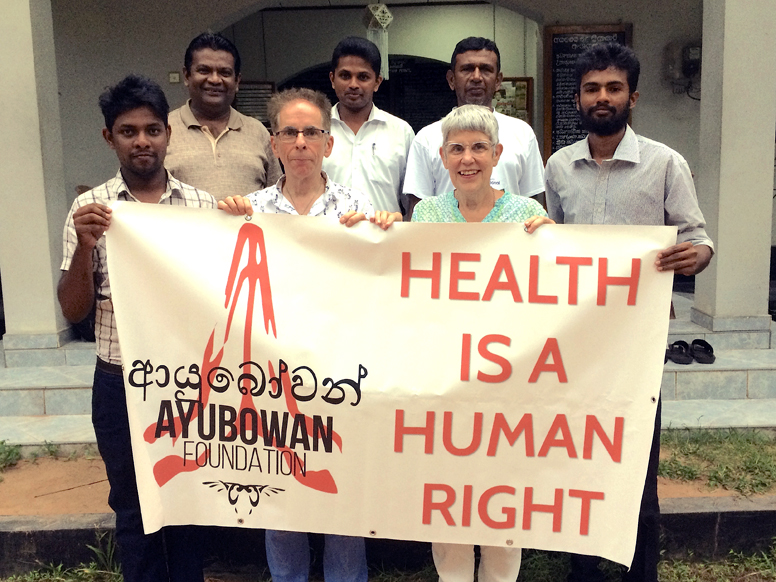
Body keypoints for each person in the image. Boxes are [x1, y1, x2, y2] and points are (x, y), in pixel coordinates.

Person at [544, 42, 714, 582]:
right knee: (573, 458)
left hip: (637, 344)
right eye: (592, 88)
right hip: (572, 343)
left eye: (613, 88)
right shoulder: (557, 167)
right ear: (577, 98)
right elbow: (542, 246)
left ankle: (640, 572)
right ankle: (582, 568)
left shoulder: (666, 163)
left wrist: (697, 256)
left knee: (636, 463)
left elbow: (698, 238)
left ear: (632, 97)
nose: (602, 97)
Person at [219, 87, 399, 582]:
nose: (301, 142)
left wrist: (388, 230)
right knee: (279, 495)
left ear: (328, 144)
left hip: (337, 375)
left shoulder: (357, 209)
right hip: (269, 378)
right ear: (273, 144)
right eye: (289, 132)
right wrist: (221, 226)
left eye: (311, 132)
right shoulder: (246, 210)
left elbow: (381, 278)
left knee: (341, 490)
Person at [57, 75, 220, 582]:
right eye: (129, 131)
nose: (142, 141)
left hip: (187, 383)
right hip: (120, 380)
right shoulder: (90, 214)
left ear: (168, 132)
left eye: (152, 129)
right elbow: (73, 310)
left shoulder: (201, 207)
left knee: (187, 502)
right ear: (110, 138)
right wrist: (85, 248)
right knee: (131, 506)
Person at [413, 104, 553, 582]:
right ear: (442, 156)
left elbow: (548, 290)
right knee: (448, 499)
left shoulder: (528, 214)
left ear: (496, 154)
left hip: (506, 380)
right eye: (457, 148)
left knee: (501, 501)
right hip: (445, 379)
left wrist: (559, 248)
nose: (467, 158)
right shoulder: (426, 214)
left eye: (478, 148)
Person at [403, 37, 544, 217]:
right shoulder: (427, 138)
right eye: (467, 69)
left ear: (498, 80)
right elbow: (417, 209)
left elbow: (532, 203)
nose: (476, 77)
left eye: (485, 69)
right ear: (451, 79)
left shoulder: (522, 133)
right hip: (447, 242)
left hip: (509, 242)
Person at [165, 32, 281, 201]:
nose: (214, 80)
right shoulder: (163, 130)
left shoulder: (258, 132)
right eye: (204, 70)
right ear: (186, 75)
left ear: (237, 81)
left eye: (224, 73)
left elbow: (277, 199)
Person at [322, 36, 415, 214]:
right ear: (332, 79)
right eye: (345, 76)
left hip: (385, 239)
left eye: (363, 77)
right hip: (327, 239)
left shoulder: (401, 132)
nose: (353, 84)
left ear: (377, 82)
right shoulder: (315, 131)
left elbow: (411, 202)